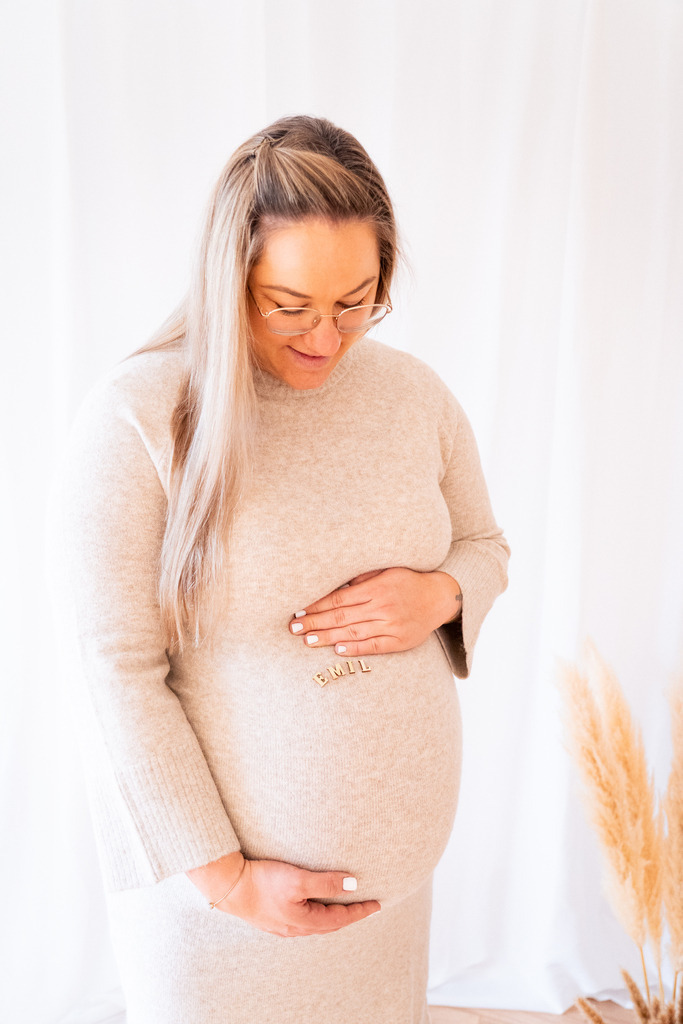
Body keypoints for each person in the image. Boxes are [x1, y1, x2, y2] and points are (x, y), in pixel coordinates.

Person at [50, 114, 510, 1024]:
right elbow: (115, 673)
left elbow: (485, 547)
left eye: (355, 300)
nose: (324, 338)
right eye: (287, 304)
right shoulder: (136, 419)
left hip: (386, 913)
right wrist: (226, 882)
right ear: (226, 281)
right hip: (215, 912)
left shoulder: (414, 395)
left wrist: (443, 593)